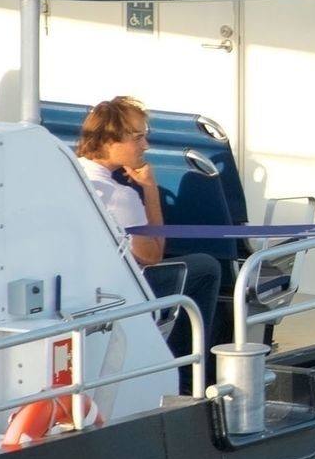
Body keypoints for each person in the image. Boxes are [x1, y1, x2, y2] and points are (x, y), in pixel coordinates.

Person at [75, 97, 220, 388]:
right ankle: (189, 378)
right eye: (137, 137)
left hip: (81, 288)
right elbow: (153, 255)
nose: (145, 146)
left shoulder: (73, 173)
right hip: (120, 293)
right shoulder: (120, 196)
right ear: (108, 141)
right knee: (206, 267)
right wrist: (150, 189)